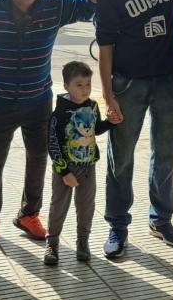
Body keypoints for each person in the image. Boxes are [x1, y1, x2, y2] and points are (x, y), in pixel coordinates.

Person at [0, 0, 104, 245]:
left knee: (39, 158)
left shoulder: (54, 6)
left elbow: (86, 8)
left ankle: (28, 214)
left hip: (38, 99)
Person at [95, 0, 173, 259]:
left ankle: (161, 220)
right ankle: (118, 225)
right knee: (122, 159)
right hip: (128, 82)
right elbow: (105, 44)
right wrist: (108, 95)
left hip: (167, 78)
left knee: (165, 156)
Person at [44, 61, 119, 265]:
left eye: (87, 84)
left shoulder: (92, 106)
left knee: (86, 206)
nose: (85, 89)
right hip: (65, 169)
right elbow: (53, 145)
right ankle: (52, 244)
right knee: (59, 206)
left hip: (88, 167)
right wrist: (64, 172)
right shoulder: (59, 114)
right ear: (66, 86)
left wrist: (109, 124)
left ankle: (83, 242)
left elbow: (95, 129)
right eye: (79, 85)